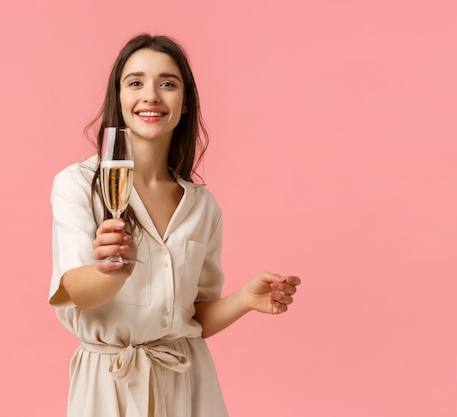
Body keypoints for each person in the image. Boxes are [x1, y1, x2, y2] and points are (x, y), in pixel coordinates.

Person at [49, 33, 301, 417]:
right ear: (119, 98)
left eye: (167, 83)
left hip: (189, 383)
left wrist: (244, 300)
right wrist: (111, 270)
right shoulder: (79, 185)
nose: (151, 95)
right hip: (109, 385)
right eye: (135, 83)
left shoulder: (203, 206)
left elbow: (190, 317)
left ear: (184, 104)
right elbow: (77, 293)